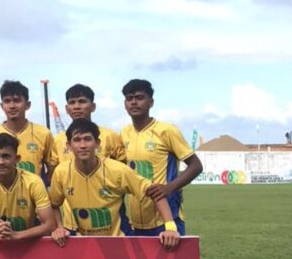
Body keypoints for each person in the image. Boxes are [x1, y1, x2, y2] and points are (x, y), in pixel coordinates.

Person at [49, 119, 179, 249]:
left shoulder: (117, 170)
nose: (83, 145)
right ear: (68, 146)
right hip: (86, 243)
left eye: (87, 139)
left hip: (120, 243)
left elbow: (155, 192)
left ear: (97, 143)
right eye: (77, 140)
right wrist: (59, 227)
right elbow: (54, 204)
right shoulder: (61, 172)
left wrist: (170, 227)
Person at [120, 79, 203, 236]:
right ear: (125, 104)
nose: (134, 102)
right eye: (129, 98)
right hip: (136, 220)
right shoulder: (124, 133)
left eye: (139, 97)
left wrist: (170, 187)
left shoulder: (167, 131)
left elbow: (196, 166)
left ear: (151, 102)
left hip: (167, 218)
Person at [52, 83, 126, 233]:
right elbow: (54, 176)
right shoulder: (58, 140)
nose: (77, 106)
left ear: (93, 106)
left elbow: (122, 173)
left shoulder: (110, 136)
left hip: (106, 220)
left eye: (82, 101)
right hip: (70, 221)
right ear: (66, 109)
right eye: (72, 103)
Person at [0, 133, 55, 241]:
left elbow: (50, 225)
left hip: (28, 241)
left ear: (17, 159)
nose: (1, 162)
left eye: (6, 156)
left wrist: (16, 235)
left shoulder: (34, 182)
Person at [0, 80, 58, 180]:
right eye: (7, 101)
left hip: (33, 194)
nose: (12, 106)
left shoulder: (43, 133)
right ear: (2, 106)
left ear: (28, 104)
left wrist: (40, 187)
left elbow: (52, 167)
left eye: (17, 101)